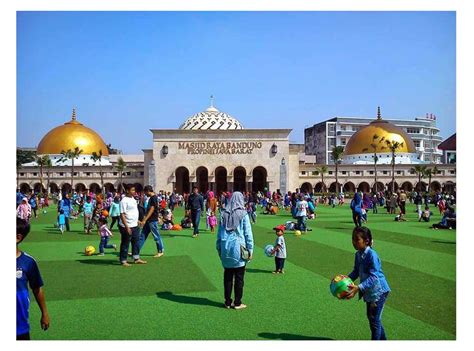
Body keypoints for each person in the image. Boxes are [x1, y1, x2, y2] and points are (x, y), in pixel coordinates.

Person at [345, 226, 391, 340]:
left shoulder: (372, 255)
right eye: (353, 239)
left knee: (374, 321)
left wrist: (358, 287)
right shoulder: (358, 254)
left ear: (366, 241)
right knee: (373, 320)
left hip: (379, 291)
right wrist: (345, 280)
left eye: (357, 240)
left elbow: (374, 277)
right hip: (369, 291)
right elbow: (356, 271)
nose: (354, 242)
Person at [216, 191, 254, 310]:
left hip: (225, 247)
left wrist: (219, 247)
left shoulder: (223, 214)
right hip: (239, 248)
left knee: (227, 276)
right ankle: (237, 302)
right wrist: (250, 249)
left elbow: (219, 233)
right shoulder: (243, 214)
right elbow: (248, 234)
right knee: (239, 277)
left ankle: (227, 301)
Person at [16, 218, 50, 340]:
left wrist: (44, 313)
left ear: (17, 238)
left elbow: (37, 289)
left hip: (19, 325)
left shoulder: (28, 262)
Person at [118, 185, 147, 266]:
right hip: (126, 226)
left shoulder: (133, 199)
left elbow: (132, 212)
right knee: (125, 243)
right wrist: (127, 227)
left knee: (136, 242)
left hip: (135, 225)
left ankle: (136, 258)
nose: (134, 192)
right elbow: (122, 214)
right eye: (132, 190)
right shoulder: (124, 201)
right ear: (127, 191)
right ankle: (123, 260)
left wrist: (137, 221)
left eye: (134, 190)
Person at [138, 186, 165, 258]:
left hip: (152, 220)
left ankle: (160, 250)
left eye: (145, 192)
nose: (145, 194)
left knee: (156, 236)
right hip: (149, 220)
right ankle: (136, 251)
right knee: (142, 236)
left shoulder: (153, 198)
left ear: (148, 191)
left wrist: (144, 219)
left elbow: (152, 210)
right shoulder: (151, 198)